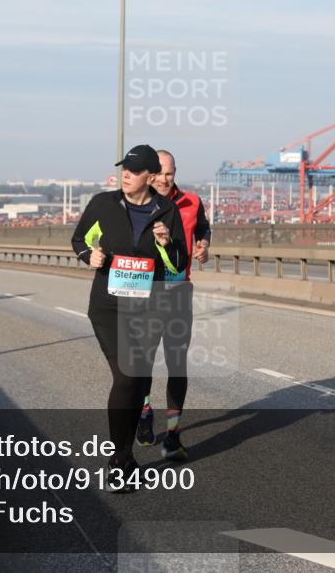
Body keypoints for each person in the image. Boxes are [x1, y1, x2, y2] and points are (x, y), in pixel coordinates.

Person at [71, 144, 188, 492]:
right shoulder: (103, 203)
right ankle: (118, 459)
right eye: (124, 169)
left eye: (134, 171)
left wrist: (166, 244)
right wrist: (87, 255)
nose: (126, 175)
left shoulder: (166, 210)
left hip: (148, 308)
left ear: (150, 177)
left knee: (139, 380)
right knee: (125, 376)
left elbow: (179, 262)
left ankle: (126, 457)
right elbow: (79, 238)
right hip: (108, 305)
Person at [135, 149, 211, 461]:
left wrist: (204, 244)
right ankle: (144, 412)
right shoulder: (136, 204)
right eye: (160, 173)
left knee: (177, 364)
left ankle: (173, 434)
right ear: (150, 174)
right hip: (145, 293)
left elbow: (203, 227)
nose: (166, 179)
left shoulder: (191, 201)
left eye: (171, 172)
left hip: (179, 291)